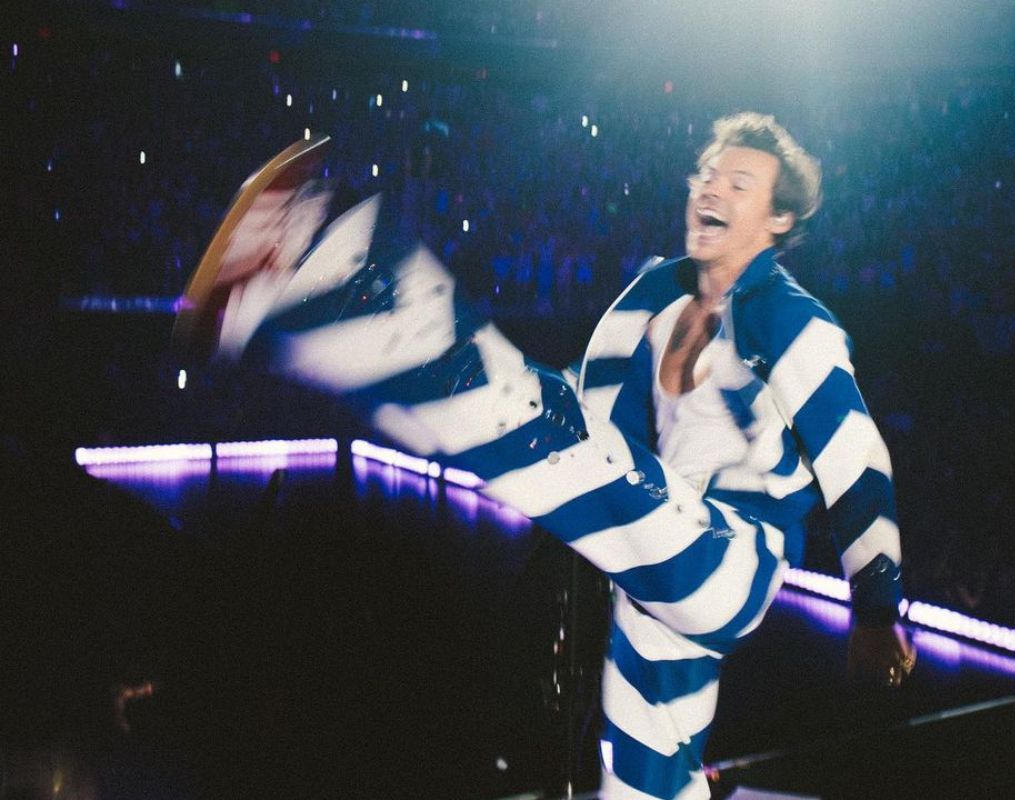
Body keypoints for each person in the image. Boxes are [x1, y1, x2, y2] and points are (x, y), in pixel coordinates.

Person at [206, 112, 914, 800]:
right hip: (653, 560)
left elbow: (852, 455)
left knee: (532, 415)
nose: (709, 189)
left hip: (730, 560)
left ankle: (320, 273)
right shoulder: (653, 295)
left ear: (778, 220)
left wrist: (876, 606)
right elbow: (588, 409)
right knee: (648, 777)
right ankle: (318, 302)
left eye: (737, 183)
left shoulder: (793, 321)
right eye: (705, 174)